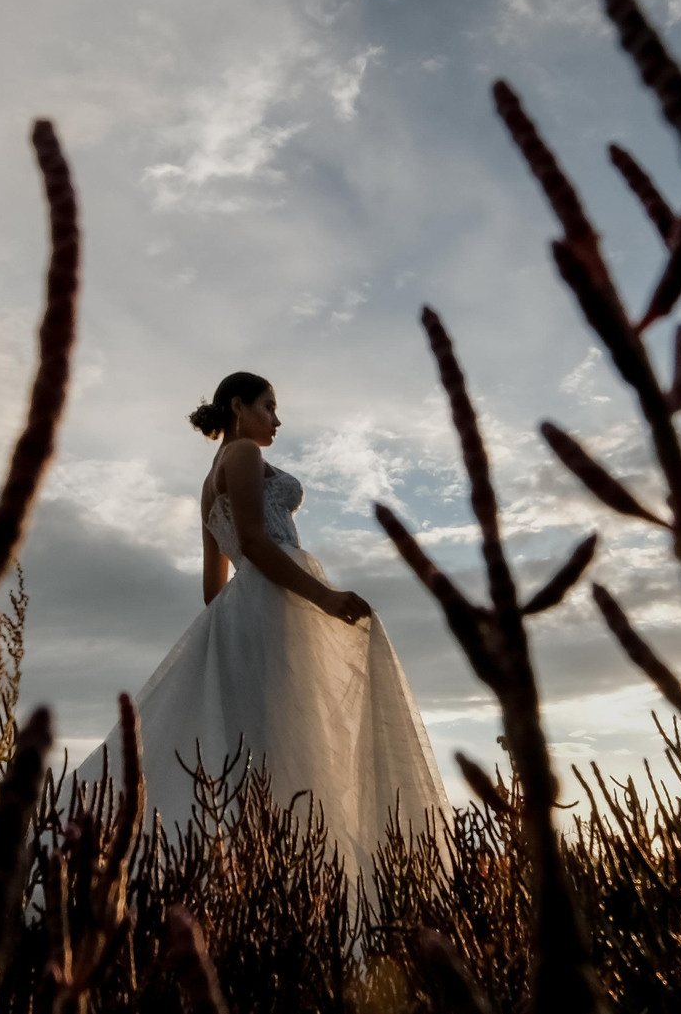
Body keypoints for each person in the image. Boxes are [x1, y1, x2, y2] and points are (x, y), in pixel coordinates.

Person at [87, 371, 448, 878]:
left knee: (264, 739)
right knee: (292, 735)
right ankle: (305, 870)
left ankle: (268, 870)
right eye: (268, 407)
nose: (277, 419)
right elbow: (256, 544)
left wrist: (237, 621)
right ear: (238, 406)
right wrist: (322, 596)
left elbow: (214, 590)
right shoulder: (244, 456)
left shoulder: (209, 482)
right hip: (276, 602)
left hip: (245, 609)